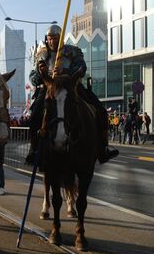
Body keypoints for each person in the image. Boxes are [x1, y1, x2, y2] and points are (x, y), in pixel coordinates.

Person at [26, 25, 118, 165]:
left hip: (72, 86)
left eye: (55, 38)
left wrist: (66, 71)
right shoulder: (41, 55)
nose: (52, 42)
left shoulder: (72, 51)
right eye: (49, 39)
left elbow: (82, 67)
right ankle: (34, 150)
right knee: (34, 116)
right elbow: (32, 77)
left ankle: (102, 148)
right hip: (49, 88)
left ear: (61, 38)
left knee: (100, 110)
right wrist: (41, 72)